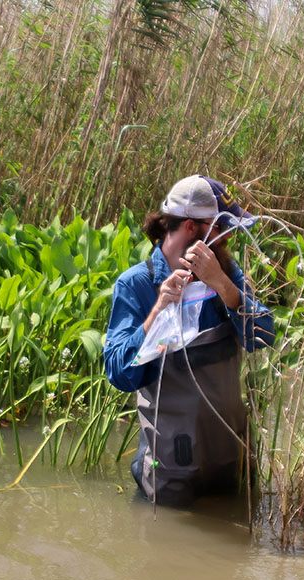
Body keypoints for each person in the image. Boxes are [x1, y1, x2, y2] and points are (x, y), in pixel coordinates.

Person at [104, 175, 275, 506]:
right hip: (170, 468)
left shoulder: (225, 270)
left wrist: (223, 285)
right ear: (192, 230)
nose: (226, 240)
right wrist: (157, 313)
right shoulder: (135, 285)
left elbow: (263, 335)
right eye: (219, 229)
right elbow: (120, 374)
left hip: (230, 456)